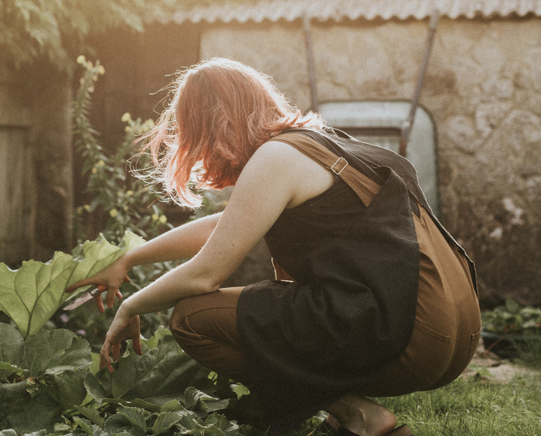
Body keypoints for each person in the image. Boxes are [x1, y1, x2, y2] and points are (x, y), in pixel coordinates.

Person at [67, 58, 480, 436]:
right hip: (454, 334)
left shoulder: (276, 158)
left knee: (192, 317)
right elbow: (227, 226)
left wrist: (130, 305)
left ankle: (359, 416)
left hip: (411, 339)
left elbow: (205, 273)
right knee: (282, 307)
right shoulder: (317, 144)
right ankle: (343, 420)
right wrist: (130, 258)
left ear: (213, 124)